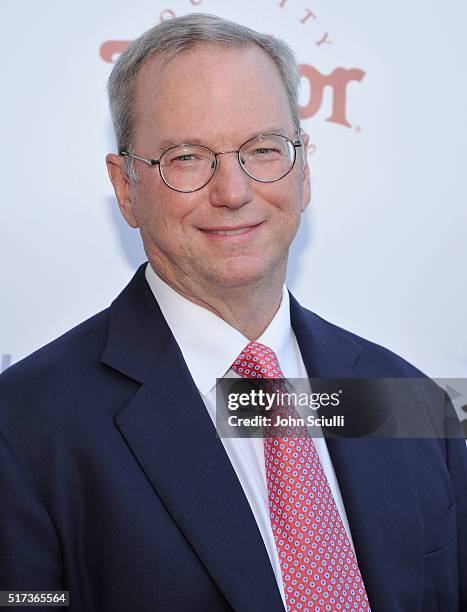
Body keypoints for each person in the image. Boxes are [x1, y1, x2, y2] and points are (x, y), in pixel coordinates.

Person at [0, 13, 465, 612]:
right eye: (187, 158)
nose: (233, 191)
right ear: (126, 187)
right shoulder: (25, 428)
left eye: (263, 149)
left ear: (303, 168)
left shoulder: (405, 399)